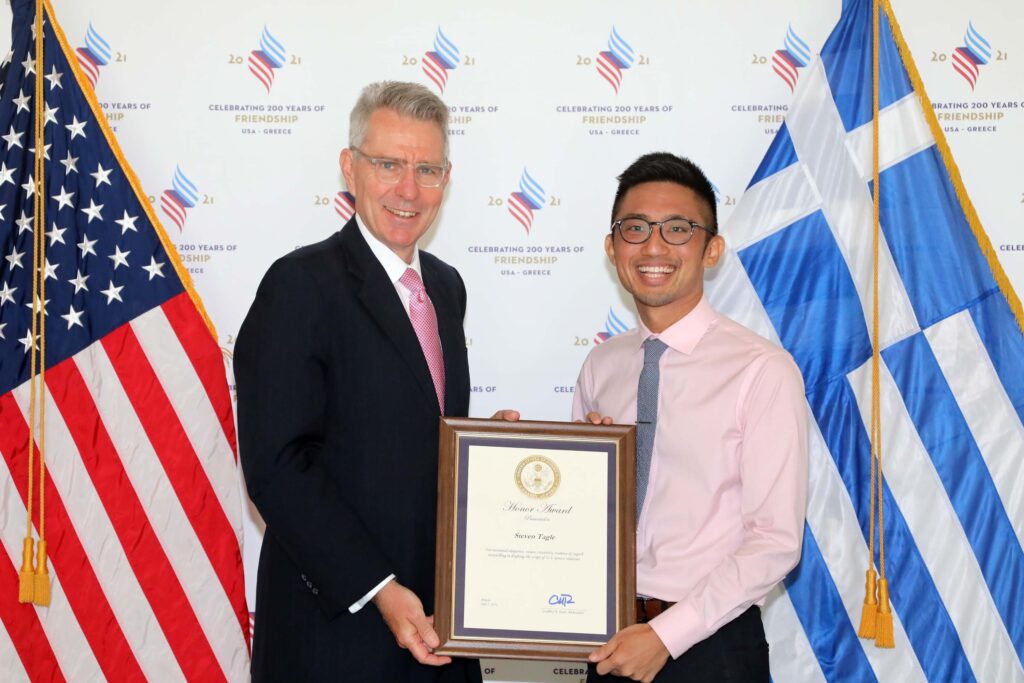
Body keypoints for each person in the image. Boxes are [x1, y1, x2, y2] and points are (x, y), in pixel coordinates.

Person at [235, 81, 514, 682]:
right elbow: (277, 467)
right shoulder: (299, 285)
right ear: (349, 168)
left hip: (440, 628)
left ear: (447, 177)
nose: (408, 189)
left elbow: (408, 429)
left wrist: (482, 450)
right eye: (388, 164)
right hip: (337, 634)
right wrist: (380, 589)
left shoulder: (445, 286)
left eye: (428, 169)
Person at [573, 153, 808, 682]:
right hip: (608, 644)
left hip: (710, 648)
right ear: (612, 248)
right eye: (635, 228)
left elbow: (776, 541)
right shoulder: (601, 366)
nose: (654, 246)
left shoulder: (761, 370)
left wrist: (665, 635)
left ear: (712, 249)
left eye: (677, 228)